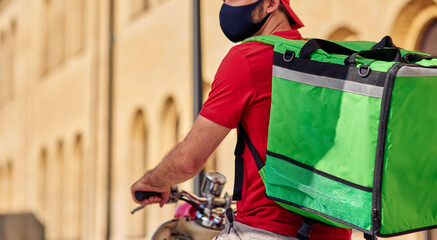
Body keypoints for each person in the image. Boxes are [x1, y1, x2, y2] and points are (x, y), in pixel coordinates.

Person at [131, 0, 353, 239]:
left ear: (270, 4)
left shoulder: (247, 58)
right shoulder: (328, 63)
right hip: (333, 233)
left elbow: (189, 161)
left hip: (265, 231)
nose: (228, 6)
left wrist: (153, 180)